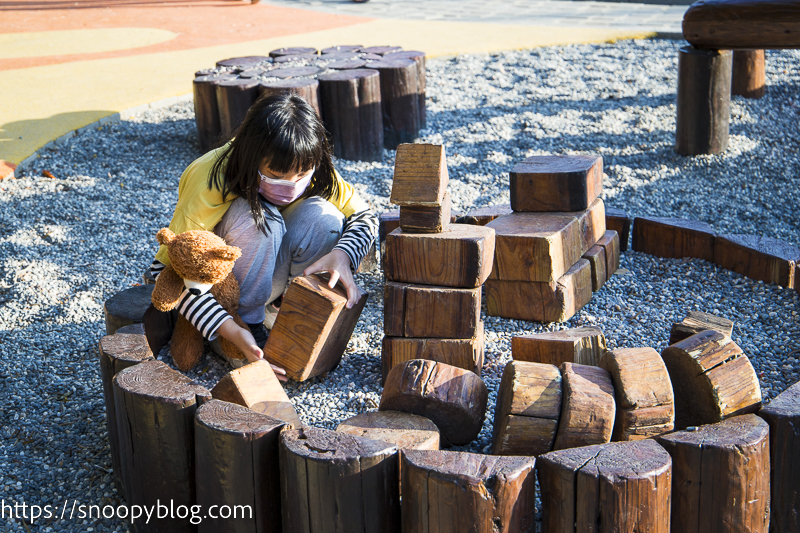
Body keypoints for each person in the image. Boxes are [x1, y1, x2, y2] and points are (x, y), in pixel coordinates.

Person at [149, 93, 378, 378]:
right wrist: (229, 327)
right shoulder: (210, 177)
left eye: (302, 173)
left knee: (326, 218)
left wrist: (344, 254)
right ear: (251, 155)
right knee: (260, 220)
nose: (291, 185)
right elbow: (168, 271)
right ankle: (243, 333)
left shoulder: (312, 166)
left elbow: (366, 217)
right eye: (276, 174)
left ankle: (284, 314)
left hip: (271, 279)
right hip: (224, 295)